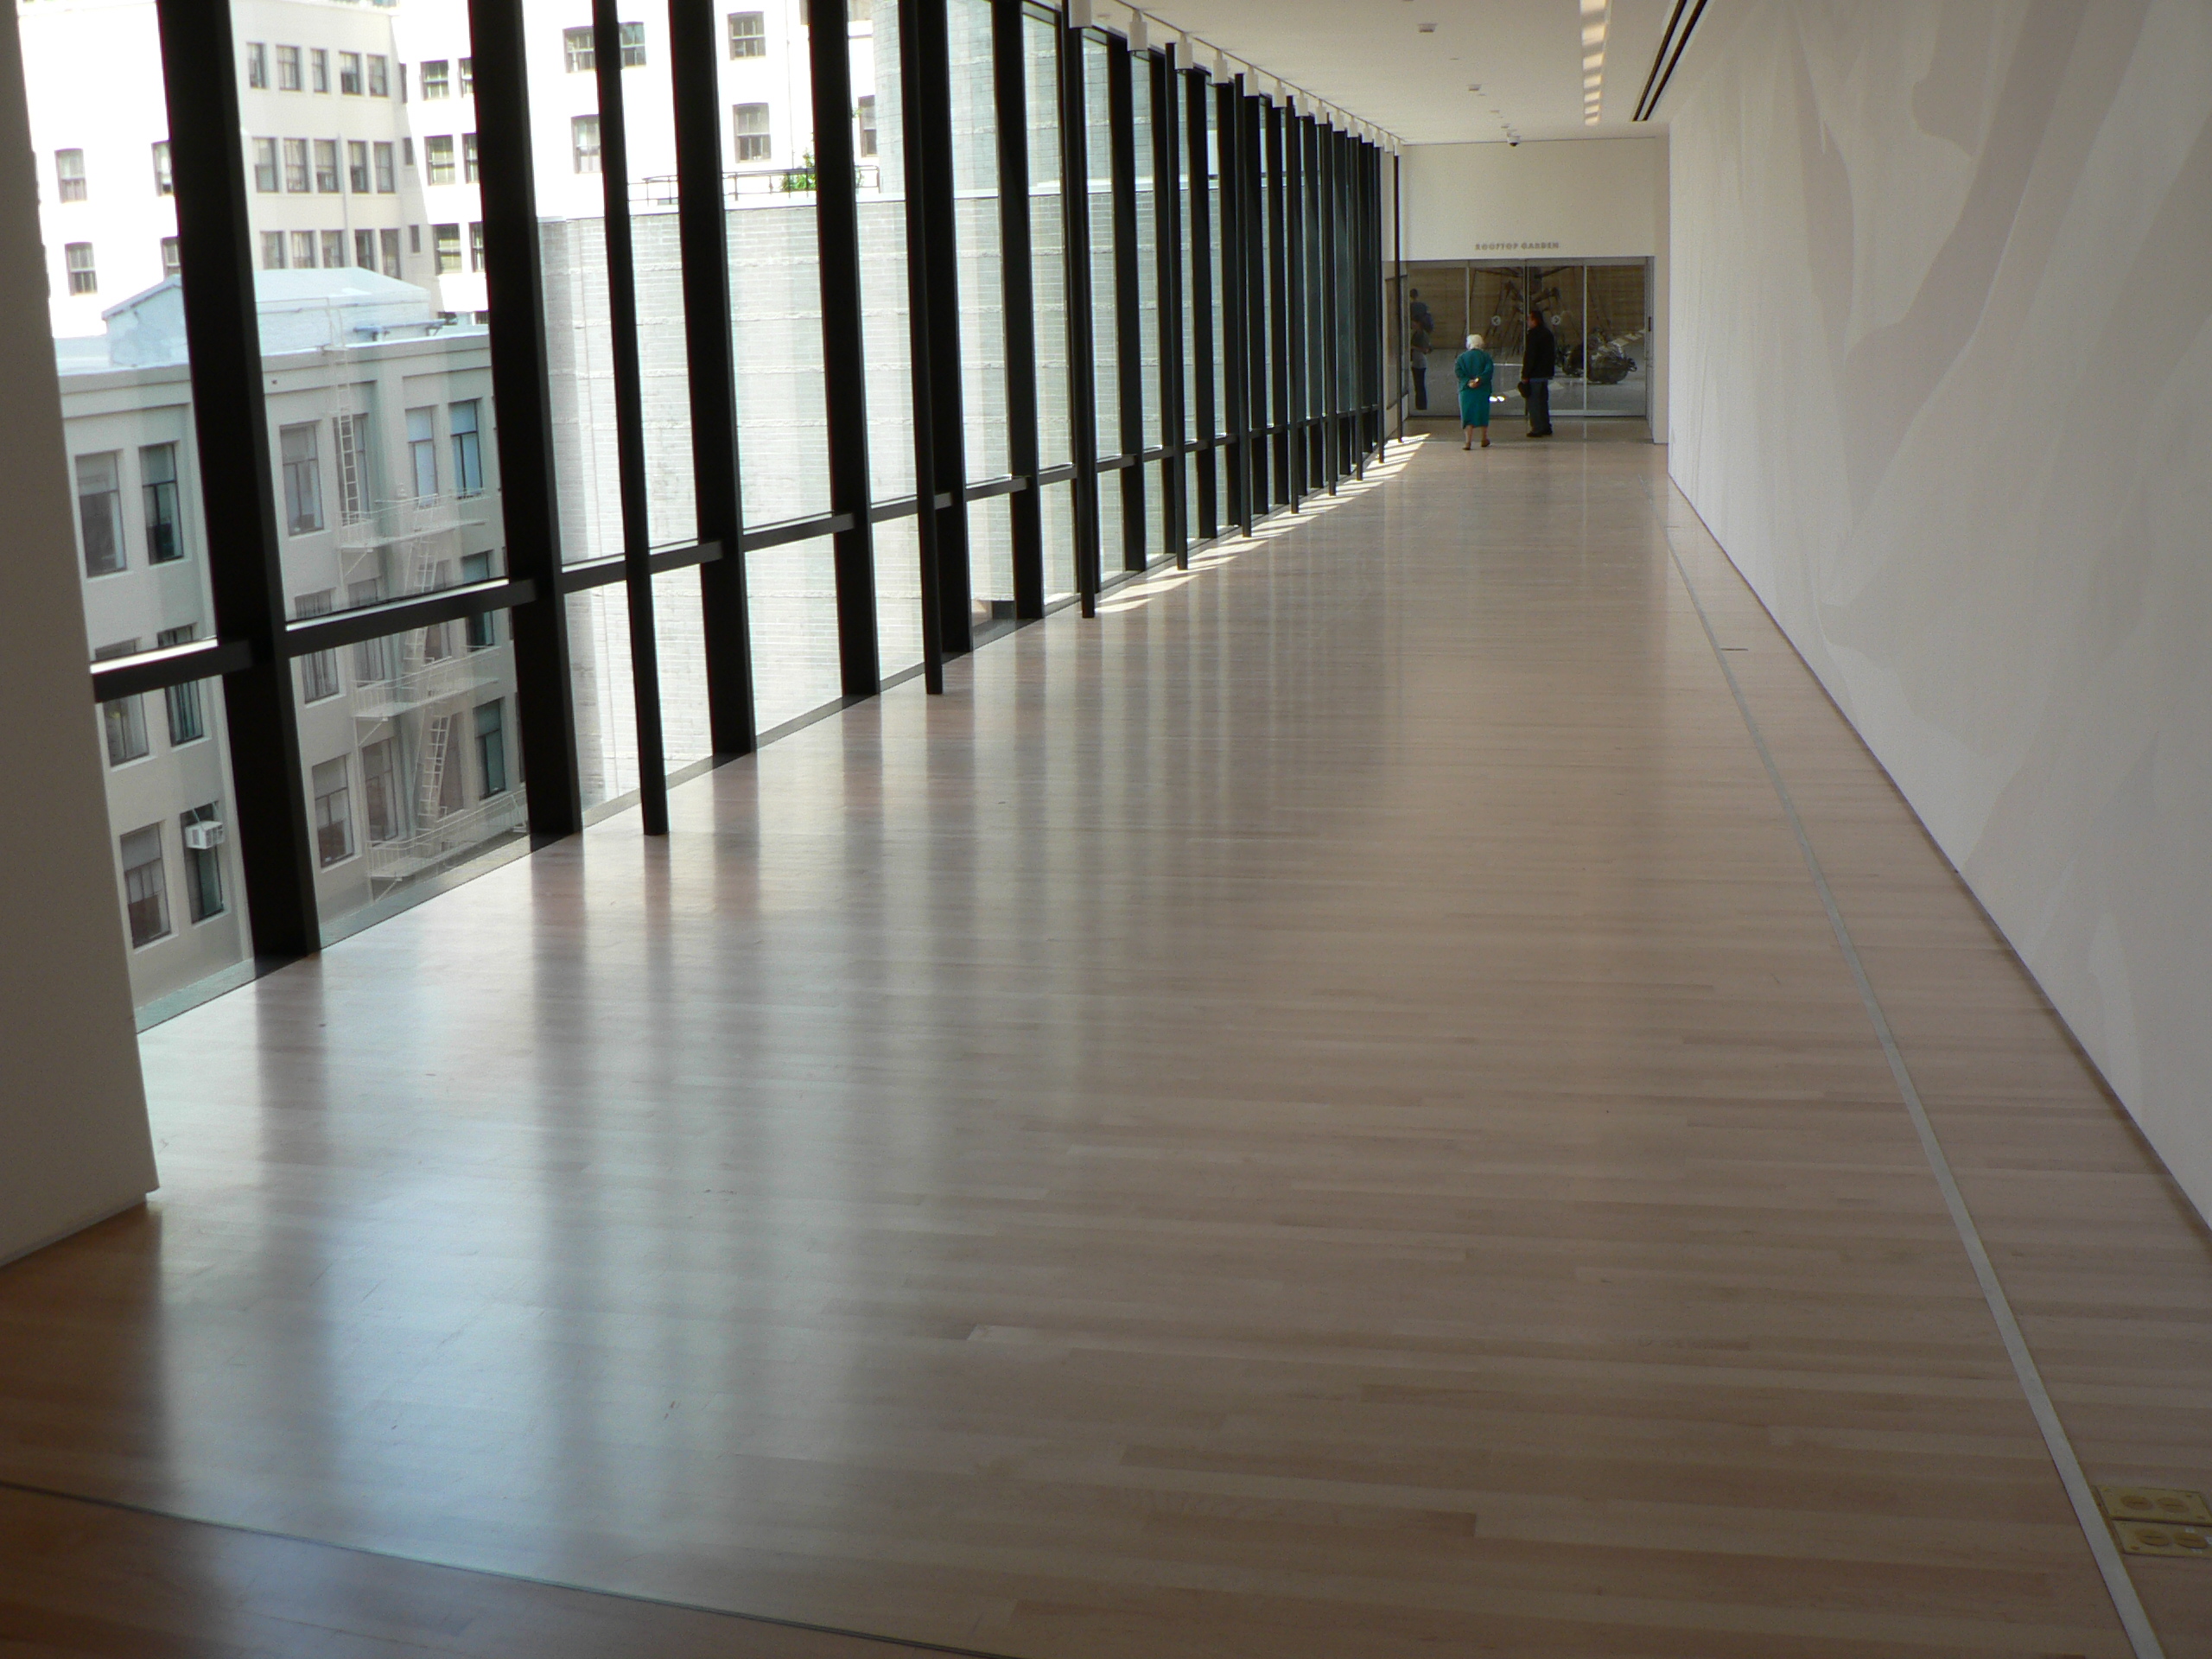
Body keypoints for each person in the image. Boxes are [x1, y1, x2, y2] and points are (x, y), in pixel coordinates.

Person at [1454, 333, 1494, 449]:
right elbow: (1489, 371)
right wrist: (1479, 380)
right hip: (1482, 389)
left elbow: (1458, 371)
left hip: (1466, 390)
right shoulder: (1486, 357)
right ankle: (1484, 438)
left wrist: (1468, 381)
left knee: (1468, 415)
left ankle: (1468, 441)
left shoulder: (1462, 358)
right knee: (1482, 414)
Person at [1521, 308, 1555, 437]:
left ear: (1535, 320)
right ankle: (1546, 426)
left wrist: (1525, 374)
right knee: (1543, 401)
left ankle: (1537, 428)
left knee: (1534, 402)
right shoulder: (1548, 334)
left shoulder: (1533, 335)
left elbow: (1530, 356)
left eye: (1529, 319)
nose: (1528, 322)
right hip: (1544, 374)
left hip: (1535, 374)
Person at [1409, 321, 1432, 409]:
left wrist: (1413, 347)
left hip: (1420, 362)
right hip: (1416, 361)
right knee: (1418, 385)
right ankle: (1419, 404)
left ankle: (1422, 405)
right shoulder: (1416, 334)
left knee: (1420, 384)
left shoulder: (1422, 335)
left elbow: (1425, 349)